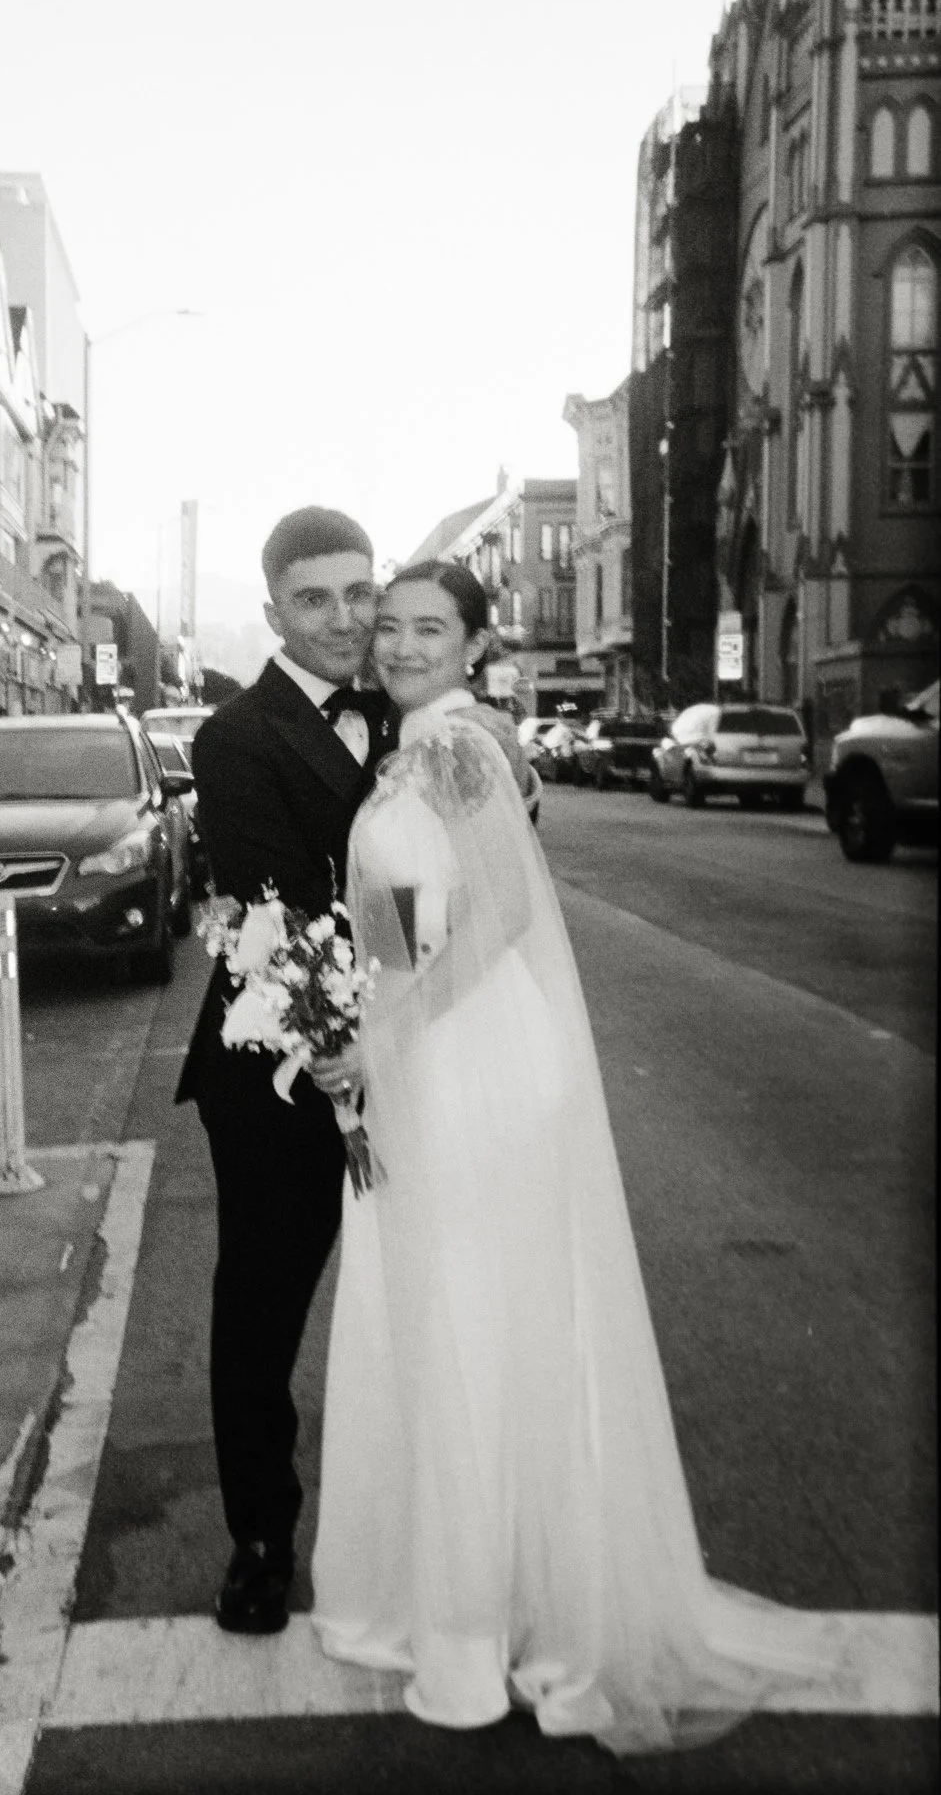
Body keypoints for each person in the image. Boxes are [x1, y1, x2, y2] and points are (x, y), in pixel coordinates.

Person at [308, 560, 847, 1754]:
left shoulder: (454, 749)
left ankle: (479, 1629)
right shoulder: (428, 745)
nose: (399, 644)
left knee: (469, 1322)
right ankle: (493, 1599)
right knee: (467, 1318)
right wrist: (355, 1015)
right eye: (388, 625)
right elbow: (410, 918)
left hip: (473, 1063)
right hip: (438, 1043)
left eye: (429, 627)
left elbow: (499, 914)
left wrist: (380, 1035)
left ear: (476, 642)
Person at [175, 507, 399, 1635]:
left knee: (421, 1301)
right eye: (315, 599)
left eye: (359, 592)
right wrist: (375, 1018)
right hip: (278, 1065)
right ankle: (261, 1538)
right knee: (262, 1314)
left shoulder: (412, 714)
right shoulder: (235, 735)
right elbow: (287, 908)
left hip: (413, 1056)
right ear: (273, 613)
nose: (344, 618)